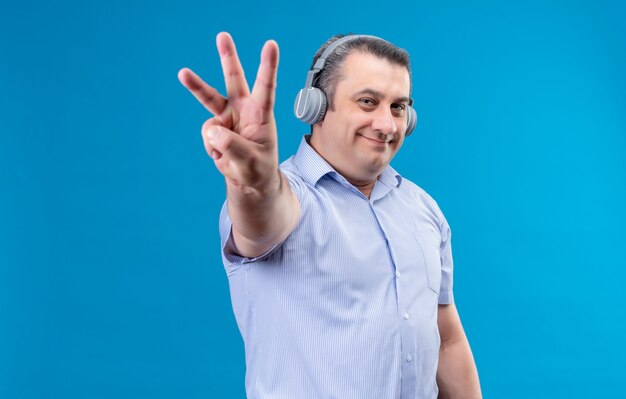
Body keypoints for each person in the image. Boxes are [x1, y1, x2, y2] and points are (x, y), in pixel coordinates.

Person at [178, 32, 482, 399]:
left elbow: (446, 340)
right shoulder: (287, 198)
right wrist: (253, 182)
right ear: (315, 107)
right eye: (368, 102)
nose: (387, 125)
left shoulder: (422, 208)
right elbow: (262, 214)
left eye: (398, 107)